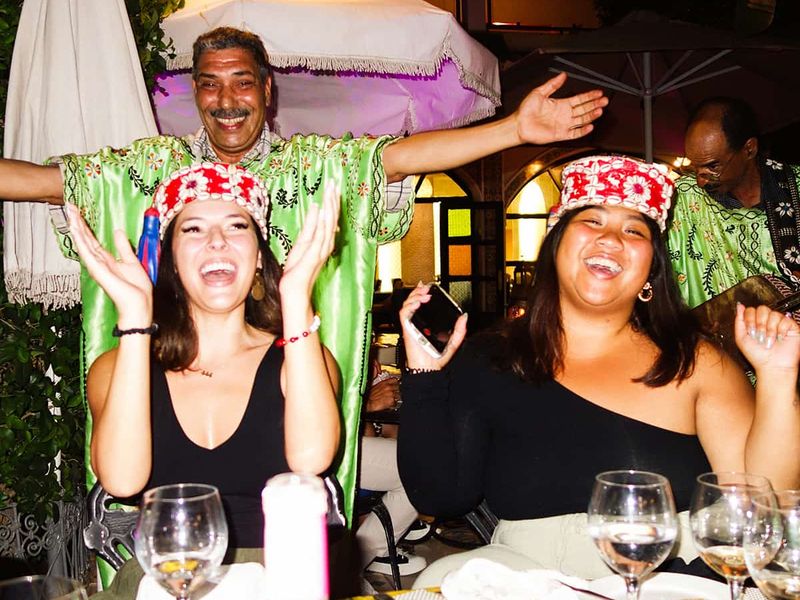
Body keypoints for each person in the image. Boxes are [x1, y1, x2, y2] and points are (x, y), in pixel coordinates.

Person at [0, 27, 608, 518]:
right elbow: (43, 182)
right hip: (164, 384)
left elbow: (398, 158)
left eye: (242, 81)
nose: (226, 99)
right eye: (209, 84)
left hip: (286, 386)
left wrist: (514, 131)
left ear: (267, 90)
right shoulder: (147, 170)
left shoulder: (314, 169)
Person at [397, 155, 800, 586]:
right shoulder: (489, 358)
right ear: (555, 244)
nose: (610, 239)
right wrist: (425, 379)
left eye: (634, 230)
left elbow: (762, 502)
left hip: (669, 576)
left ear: (651, 271)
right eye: (592, 221)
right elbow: (441, 496)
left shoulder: (695, 362)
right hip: (529, 576)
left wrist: (777, 377)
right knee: (440, 581)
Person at [69, 163, 340, 596]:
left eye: (237, 226)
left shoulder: (302, 358)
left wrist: (295, 299)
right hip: (162, 581)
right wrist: (136, 322)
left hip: (277, 578)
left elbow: (311, 460)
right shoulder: (116, 367)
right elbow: (121, 481)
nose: (216, 240)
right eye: (193, 229)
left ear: (258, 257)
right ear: (173, 263)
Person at [668, 97, 800, 309]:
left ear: (749, 149)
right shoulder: (681, 199)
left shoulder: (794, 188)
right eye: (695, 167)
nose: (701, 181)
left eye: (713, 166)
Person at [357, 355, 426, 577]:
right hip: (306, 450)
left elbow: (388, 438)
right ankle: (356, 560)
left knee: (421, 463)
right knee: (419, 467)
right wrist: (366, 403)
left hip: (345, 444)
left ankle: (363, 553)